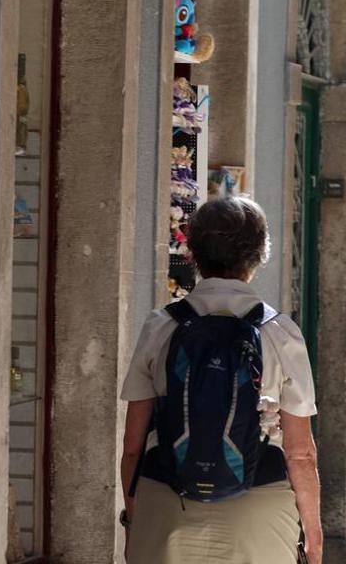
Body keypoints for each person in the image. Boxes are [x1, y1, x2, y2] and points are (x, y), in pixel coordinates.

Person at [119, 196, 322, 563]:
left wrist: (136, 517)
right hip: (258, 508)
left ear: (192, 252)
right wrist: (314, 537)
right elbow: (300, 453)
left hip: (167, 501)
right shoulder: (281, 333)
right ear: (259, 255)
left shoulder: (160, 326)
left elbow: (133, 445)